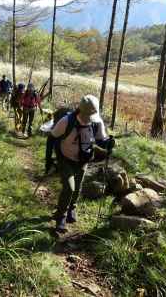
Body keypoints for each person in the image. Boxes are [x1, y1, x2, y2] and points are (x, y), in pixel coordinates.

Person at [45, 95, 114, 233]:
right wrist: (48, 160)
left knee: (77, 187)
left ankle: (72, 208)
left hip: (84, 159)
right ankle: (61, 217)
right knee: (69, 188)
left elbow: (101, 140)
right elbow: (51, 138)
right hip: (65, 158)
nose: (91, 118)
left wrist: (108, 143)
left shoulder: (96, 122)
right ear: (81, 111)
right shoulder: (66, 121)